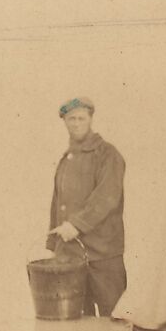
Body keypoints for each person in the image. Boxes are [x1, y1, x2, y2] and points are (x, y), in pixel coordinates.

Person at [47, 96, 127, 317]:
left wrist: (76, 225)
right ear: (64, 122)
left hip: (103, 253)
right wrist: (53, 244)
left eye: (81, 118)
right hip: (71, 254)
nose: (76, 123)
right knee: (76, 317)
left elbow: (107, 197)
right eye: (71, 119)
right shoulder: (67, 159)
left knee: (114, 317)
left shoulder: (108, 154)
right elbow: (57, 203)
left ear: (91, 119)